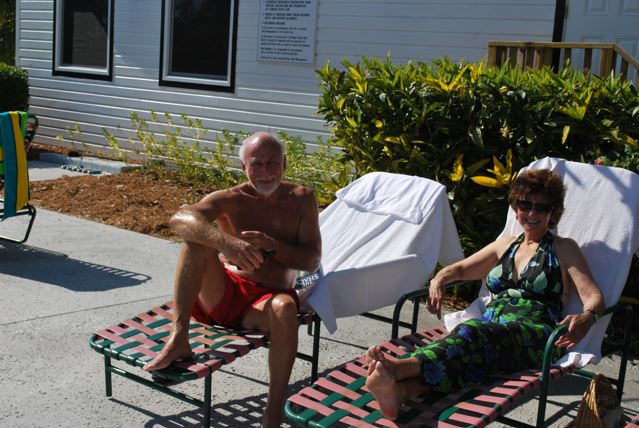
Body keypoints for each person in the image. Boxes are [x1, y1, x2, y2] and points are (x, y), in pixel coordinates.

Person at [365, 169, 604, 420]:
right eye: (525, 204)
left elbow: (594, 296)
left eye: (542, 207)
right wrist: (439, 278)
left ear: (552, 212)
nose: (532, 213)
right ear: (516, 206)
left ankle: (397, 369)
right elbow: (461, 269)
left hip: (535, 335)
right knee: (472, 354)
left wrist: (588, 317)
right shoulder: (506, 245)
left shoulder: (563, 248)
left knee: (472, 332)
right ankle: (401, 392)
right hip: (492, 330)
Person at [143, 131, 322, 427]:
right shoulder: (231, 199)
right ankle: (179, 336)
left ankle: (273, 411)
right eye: (256, 164)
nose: (265, 171)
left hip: (267, 303)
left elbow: (312, 260)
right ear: (243, 167)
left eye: (272, 162)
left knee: (286, 308)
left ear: (285, 163)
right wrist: (227, 243)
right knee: (196, 241)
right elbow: (179, 218)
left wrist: (275, 246)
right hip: (225, 294)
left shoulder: (302, 199)